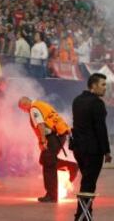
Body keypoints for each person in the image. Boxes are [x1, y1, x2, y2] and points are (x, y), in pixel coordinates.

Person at [18, 97, 78, 203]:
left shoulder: (33, 109)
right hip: (58, 135)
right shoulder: (41, 104)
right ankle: (70, 166)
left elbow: (41, 125)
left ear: (25, 104)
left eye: (22, 108)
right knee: (45, 160)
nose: (24, 111)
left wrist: (42, 141)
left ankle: (52, 195)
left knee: (48, 164)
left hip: (53, 136)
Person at [71, 73, 112, 220]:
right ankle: (81, 216)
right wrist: (106, 151)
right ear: (93, 85)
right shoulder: (97, 103)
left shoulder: (77, 100)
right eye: (103, 84)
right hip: (93, 151)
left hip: (78, 149)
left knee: (86, 181)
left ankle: (85, 215)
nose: (105, 88)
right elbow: (100, 129)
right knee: (88, 184)